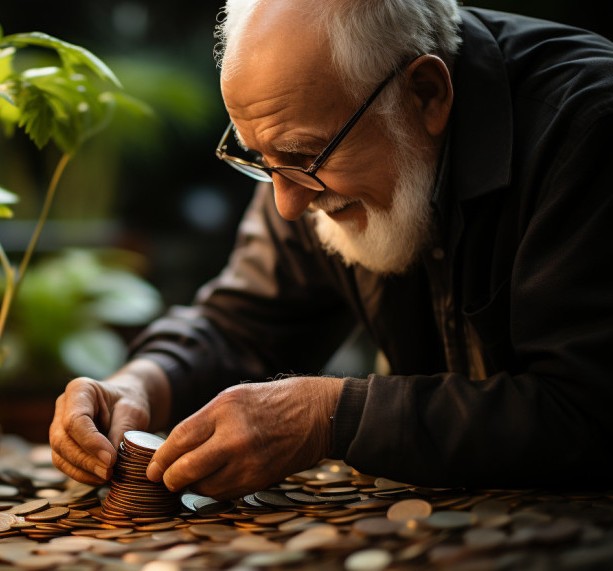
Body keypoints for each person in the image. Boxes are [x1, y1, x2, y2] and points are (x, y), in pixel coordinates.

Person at [50, 0, 613, 498]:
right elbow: (242, 326)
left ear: (426, 94)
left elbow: (588, 411)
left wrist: (332, 416)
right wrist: (145, 380)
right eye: (261, 160)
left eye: (301, 155)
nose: (287, 206)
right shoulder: (309, 147)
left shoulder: (586, 127)